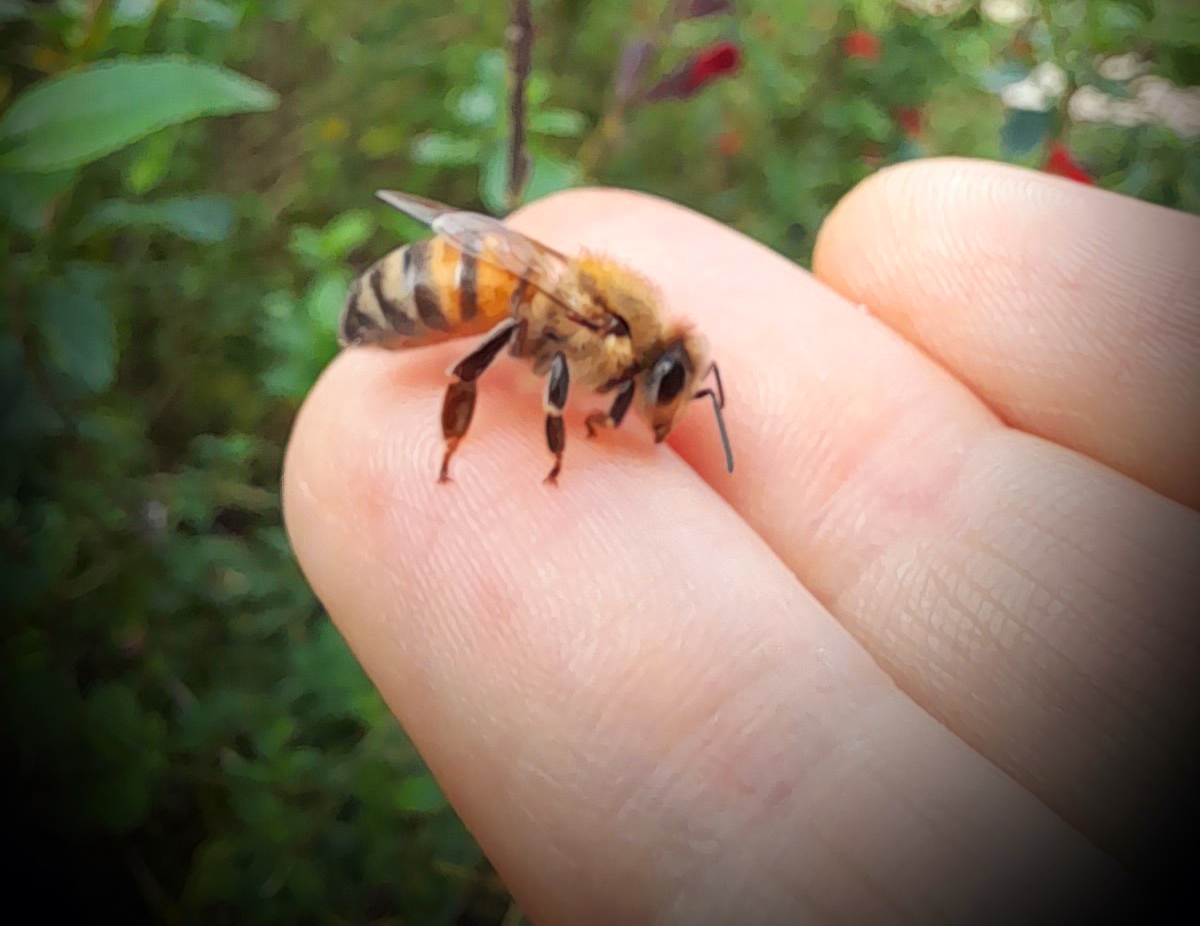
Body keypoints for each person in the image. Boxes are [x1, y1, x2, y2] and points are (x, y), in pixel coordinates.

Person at [284, 158, 1199, 926]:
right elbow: (554, 364)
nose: (659, 399)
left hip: (486, 275)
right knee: (492, 353)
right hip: (454, 287)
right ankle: (451, 439)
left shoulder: (606, 320)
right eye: (662, 386)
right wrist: (559, 447)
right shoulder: (597, 326)